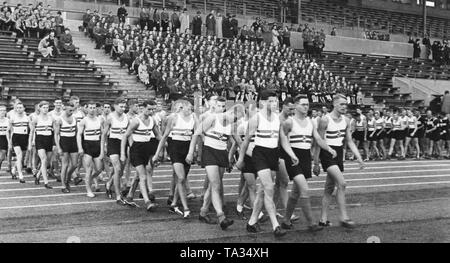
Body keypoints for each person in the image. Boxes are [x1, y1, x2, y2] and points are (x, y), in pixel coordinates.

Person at [186, 98, 244, 230]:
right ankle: (221, 216)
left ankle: (203, 212)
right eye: (235, 118)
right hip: (210, 152)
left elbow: (239, 142)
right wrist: (191, 153)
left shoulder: (231, 124)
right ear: (230, 112)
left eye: (237, 120)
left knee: (213, 185)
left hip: (222, 153)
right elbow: (196, 134)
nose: (234, 121)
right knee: (216, 185)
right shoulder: (212, 118)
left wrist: (242, 156)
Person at [279, 94, 331, 231]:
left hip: (305, 157)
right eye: (303, 104)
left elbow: (318, 140)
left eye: (307, 104)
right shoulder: (289, 122)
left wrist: (328, 148)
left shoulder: (311, 122)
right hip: (293, 158)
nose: (306, 107)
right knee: (304, 189)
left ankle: (285, 220)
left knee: (296, 193)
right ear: (296, 105)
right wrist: (290, 155)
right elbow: (283, 141)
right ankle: (311, 223)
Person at [241, 90, 286, 237]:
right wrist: (241, 159)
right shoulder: (256, 118)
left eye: (276, 101)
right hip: (259, 154)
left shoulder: (278, 118)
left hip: (273, 154)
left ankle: (252, 222)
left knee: (262, 191)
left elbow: (282, 139)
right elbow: (246, 140)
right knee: (268, 188)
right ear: (263, 102)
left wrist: (290, 154)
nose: (274, 104)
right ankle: (275, 225)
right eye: (271, 101)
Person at [315, 94, 364, 228]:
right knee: (342, 183)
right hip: (327, 154)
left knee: (329, 188)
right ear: (334, 104)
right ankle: (344, 217)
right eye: (342, 104)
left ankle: (322, 219)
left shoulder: (347, 120)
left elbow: (349, 140)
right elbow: (318, 141)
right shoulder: (325, 120)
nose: (344, 106)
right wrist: (316, 162)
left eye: (345, 104)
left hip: (338, 153)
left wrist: (358, 157)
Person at [153, 99, 198, 218]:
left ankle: (174, 203)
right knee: (181, 177)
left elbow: (196, 135)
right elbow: (164, 137)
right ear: (182, 108)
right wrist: (157, 154)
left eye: (191, 109)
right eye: (188, 108)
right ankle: (186, 208)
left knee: (182, 178)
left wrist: (193, 151)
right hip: (175, 148)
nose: (190, 110)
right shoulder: (174, 118)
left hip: (187, 148)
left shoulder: (194, 118)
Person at [120, 100, 161, 211]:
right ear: (143, 108)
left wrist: (165, 146)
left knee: (138, 176)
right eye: (149, 109)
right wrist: (123, 154)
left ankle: (129, 196)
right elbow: (125, 136)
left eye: (153, 109)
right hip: (136, 150)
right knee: (143, 176)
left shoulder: (152, 120)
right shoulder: (136, 121)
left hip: (146, 150)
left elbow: (158, 136)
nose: (151, 111)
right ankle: (147, 202)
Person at [77, 101, 105, 198]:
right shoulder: (84, 121)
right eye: (91, 108)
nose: (92, 110)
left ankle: (89, 180)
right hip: (87, 146)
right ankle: (88, 190)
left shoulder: (99, 120)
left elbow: (102, 135)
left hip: (97, 145)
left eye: (94, 108)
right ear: (87, 108)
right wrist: (80, 147)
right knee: (88, 170)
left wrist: (103, 148)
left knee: (99, 169)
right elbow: (79, 135)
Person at [104, 98, 129, 204]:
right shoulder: (110, 118)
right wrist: (104, 146)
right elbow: (104, 134)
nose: (123, 109)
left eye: (124, 106)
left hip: (123, 144)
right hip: (113, 143)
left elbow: (129, 133)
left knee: (120, 171)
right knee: (117, 169)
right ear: (115, 106)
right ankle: (118, 196)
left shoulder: (127, 117)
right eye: (121, 106)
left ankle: (109, 183)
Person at [54, 102, 79, 193]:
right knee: (65, 165)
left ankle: (68, 178)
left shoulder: (74, 118)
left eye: (72, 110)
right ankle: (63, 185)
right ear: (65, 109)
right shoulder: (59, 120)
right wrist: (58, 147)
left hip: (73, 142)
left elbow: (76, 132)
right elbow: (56, 135)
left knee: (75, 164)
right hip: (64, 143)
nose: (71, 112)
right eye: (69, 110)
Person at [29, 101, 54, 189]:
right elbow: (32, 132)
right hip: (40, 140)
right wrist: (30, 143)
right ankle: (46, 182)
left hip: (49, 139)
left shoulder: (51, 118)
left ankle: (38, 174)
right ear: (39, 108)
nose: (45, 109)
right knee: (44, 159)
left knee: (47, 162)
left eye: (47, 107)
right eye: (44, 107)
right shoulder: (36, 118)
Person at [9, 102, 30, 184]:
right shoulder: (13, 118)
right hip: (16, 137)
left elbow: (31, 130)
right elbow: (10, 131)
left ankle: (14, 169)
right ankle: (21, 175)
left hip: (24, 137)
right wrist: (10, 143)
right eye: (17, 108)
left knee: (21, 158)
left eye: (20, 107)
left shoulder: (27, 118)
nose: (19, 109)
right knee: (19, 155)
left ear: (24, 108)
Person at [0, 105, 10, 176]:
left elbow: (9, 131)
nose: (2, 112)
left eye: (4, 110)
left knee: (3, 154)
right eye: (1, 110)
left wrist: (9, 141)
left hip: (4, 138)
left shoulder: (8, 120)